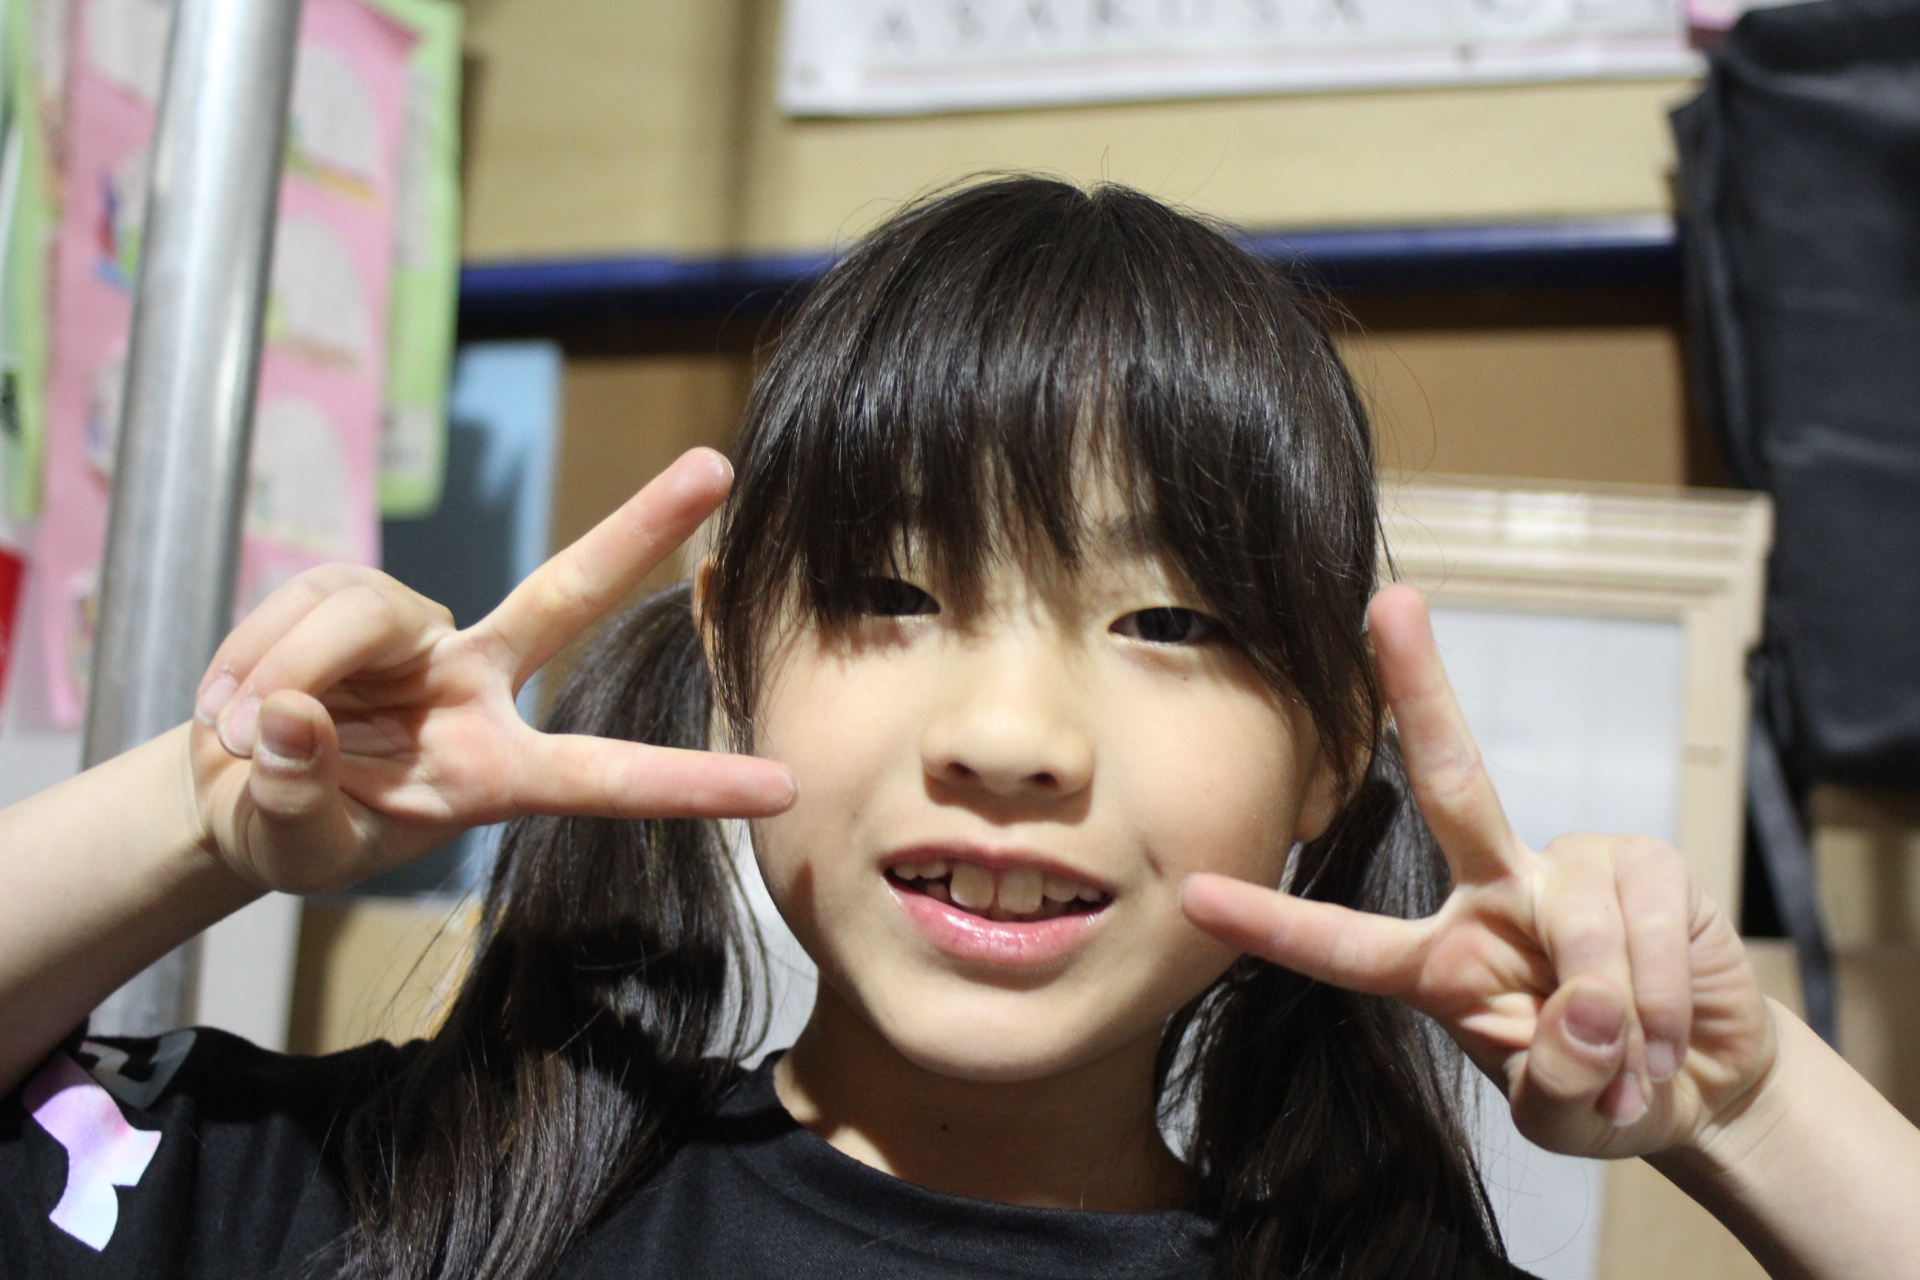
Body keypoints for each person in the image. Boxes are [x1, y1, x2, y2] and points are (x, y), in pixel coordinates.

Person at [1, 177, 1914, 1280]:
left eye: (1168, 622)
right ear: (734, 649)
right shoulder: (401, 1211)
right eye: (892, 595)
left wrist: (1747, 1109)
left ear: (1337, 750)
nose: (1011, 736)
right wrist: (198, 816)